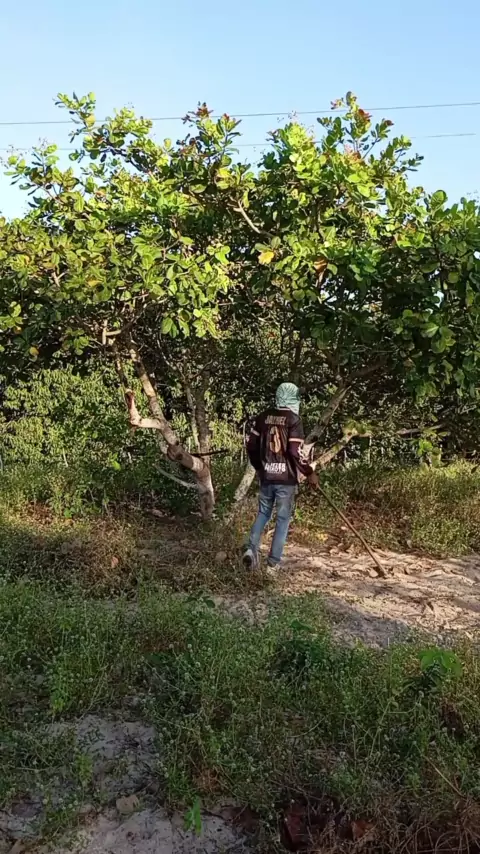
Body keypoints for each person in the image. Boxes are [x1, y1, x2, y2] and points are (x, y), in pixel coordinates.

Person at [243, 382, 317, 570]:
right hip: (286, 479)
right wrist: (309, 472)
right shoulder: (294, 420)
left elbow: (251, 446)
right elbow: (294, 451)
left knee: (263, 513)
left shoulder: (263, 417)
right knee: (282, 519)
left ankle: (251, 549)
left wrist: (259, 467)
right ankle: (273, 563)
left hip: (267, 476)